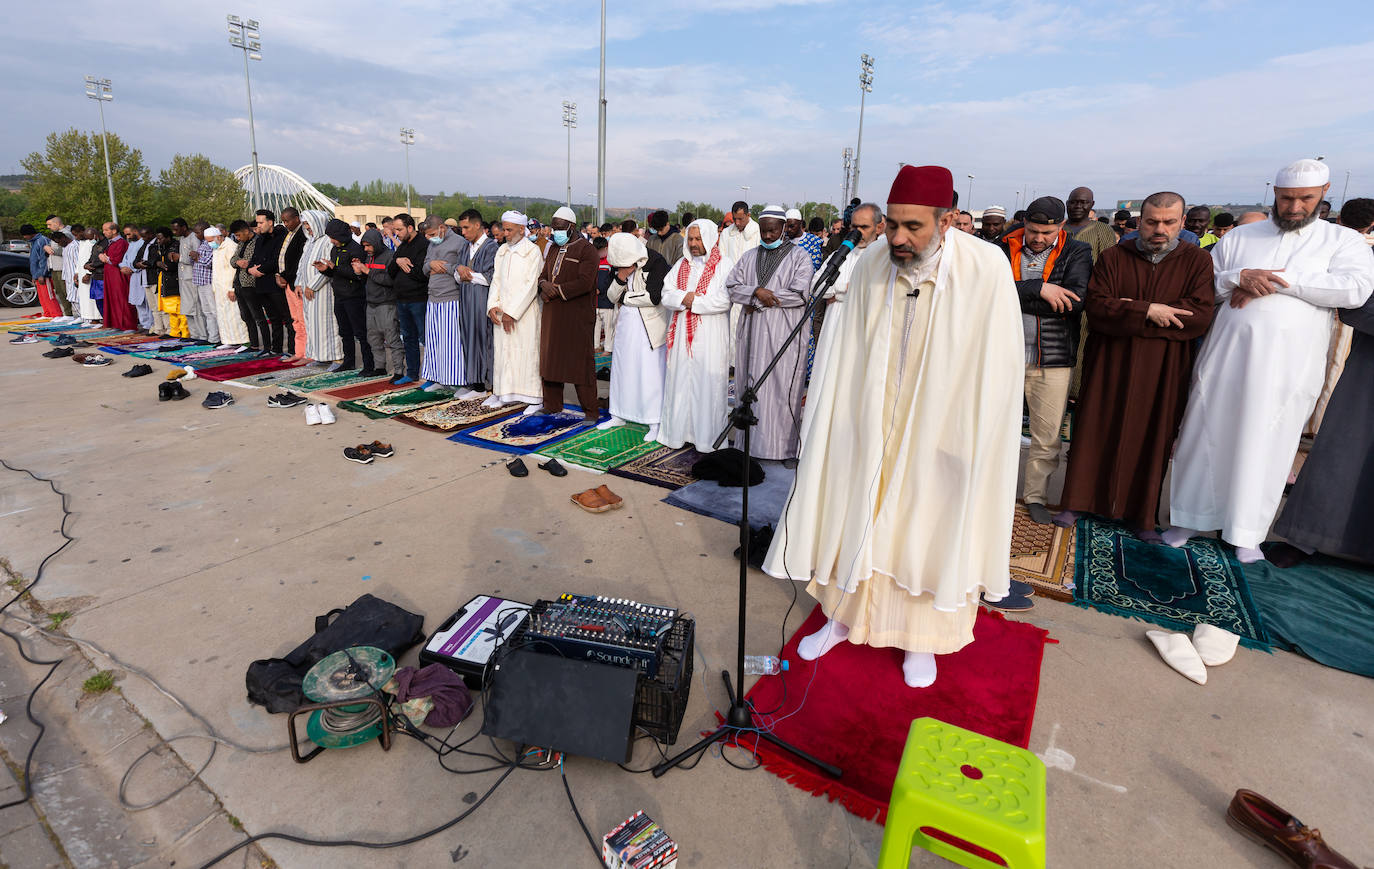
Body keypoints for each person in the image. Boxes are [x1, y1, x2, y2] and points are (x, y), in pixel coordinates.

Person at [762, 165, 1023, 688]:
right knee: (856, 511)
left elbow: (1000, 360)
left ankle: (919, 639)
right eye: (892, 225)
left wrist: (977, 434)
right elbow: (849, 349)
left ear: (946, 220)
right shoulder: (871, 263)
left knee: (927, 524)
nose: (899, 238)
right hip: (873, 418)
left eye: (914, 228)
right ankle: (841, 618)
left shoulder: (985, 264)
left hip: (944, 424)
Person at [1165, 159, 1374, 563]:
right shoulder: (1241, 236)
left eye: (1304, 199)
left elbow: (1354, 291)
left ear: (1324, 193)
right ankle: (1187, 519)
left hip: (1289, 366)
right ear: (1274, 195)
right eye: (1286, 198)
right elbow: (1207, 283)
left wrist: (1283, 281)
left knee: (1269, 440)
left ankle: (1246, 533)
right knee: (1207, 431)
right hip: (1226, 355)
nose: (1294, 207)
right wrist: (1238, 278)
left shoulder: (1342, 242)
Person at [1054, 192, 1216, 537]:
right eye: (1153, 221)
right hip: (1110, 361)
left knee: (1152, 436)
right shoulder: (1114, 257)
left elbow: (1197, 317)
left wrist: (1128, 308)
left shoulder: (1197, 261)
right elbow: (1098, 308)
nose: (1160, 229)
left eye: (1169, 222)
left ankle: (1141, 517)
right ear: (1139, 221)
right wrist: (1151, 311)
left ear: (1182, 223)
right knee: (1095, 428)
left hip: (1164, 368)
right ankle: (1077, 502)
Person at [1271, 201, 1374, 565]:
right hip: (1367, 382)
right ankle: (1306, 538)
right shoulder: (1364, 253)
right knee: (1344, 453)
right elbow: (1356, 303)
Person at [999, 196, 1092, 526]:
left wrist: (1015, 294)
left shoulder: (1077, 252)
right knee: (993, 428)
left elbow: (1074, 303)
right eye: (1033, 230)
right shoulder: (1002, 247)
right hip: (1001, 355)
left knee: (1046, 434)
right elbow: (987, 292)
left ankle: (1035, 495)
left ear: (1061, 227)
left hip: (1052, 358)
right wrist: (1040, 289)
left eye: (1046, 232)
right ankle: (992, 490)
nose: (1038, 238)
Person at [725, 204, 816, 462]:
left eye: (773, 231)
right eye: (764, 232)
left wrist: (760, 298)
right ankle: (749, 447)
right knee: (750, 387)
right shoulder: (749, 256)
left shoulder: (800, 257)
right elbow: (732, 286)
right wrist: (755, 292)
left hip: (781, 334)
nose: (767, 236)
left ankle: (784, 450)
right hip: (752, 336)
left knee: (780, 388)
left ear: (784, 228)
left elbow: (799, 295)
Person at [659, 218, 735, 450]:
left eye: (698, 239)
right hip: (682, 334)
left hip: (710, 335)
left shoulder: (725, 265)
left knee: (707, 386)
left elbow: (724, 300)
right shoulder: (681, 265)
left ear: (710, 239)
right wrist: (684, 298)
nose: (693, 243)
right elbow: (666, 293)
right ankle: (676, 434)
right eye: (691, 238)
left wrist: (695, 301)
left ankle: (706, 439)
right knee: (680, 383)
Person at [599, 232, 671, 440]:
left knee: (649, 375)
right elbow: (612, 296)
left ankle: (654, 420)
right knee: (623, 371)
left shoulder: (656, 261)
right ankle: (619, 414)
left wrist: (625, 297)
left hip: (649, 327)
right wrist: (622, 276)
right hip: (625, 325)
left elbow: (654, 297)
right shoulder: (622, 264)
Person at [537, 206, 601, 419]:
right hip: (552, 314)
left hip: (576, 316)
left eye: (560, 228)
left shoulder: (586, 249)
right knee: (550, 360)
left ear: (571, 227)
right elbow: (544, 275)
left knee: (579, 364)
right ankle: (552, 405)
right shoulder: (553, 248)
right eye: (553, 228)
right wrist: (544, 285)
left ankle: (591, 412)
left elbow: (585, 282)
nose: (555, 232)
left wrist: (558, 291)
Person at [484, 211, 545, 410]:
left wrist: (513, 312)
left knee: (526, 354)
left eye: (510, 230)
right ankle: (504, 393)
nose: (506, 233)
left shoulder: (532, 251)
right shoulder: (502, 251)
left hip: (524, 315)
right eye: (505, 229)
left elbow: (531, 285)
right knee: (503, 353)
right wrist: (492, 305)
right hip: (502, 313)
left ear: (521, 229)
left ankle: (533, 398)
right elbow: (496, 281)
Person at [417, 215, 468, 390]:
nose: (429, 238)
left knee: (452, 343)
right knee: (434, 342)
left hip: (451, 298)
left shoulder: (460, 243)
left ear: (442, 228)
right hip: (433, 297)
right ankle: (438, 378)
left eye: (432, 233)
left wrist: (444, 267)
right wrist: (432, 263)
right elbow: (424, 267)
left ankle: (458, 381)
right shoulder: (432, 244)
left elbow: (464, 269)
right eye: (427, 235)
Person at [453, 209, 498, 397]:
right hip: (465, 301)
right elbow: (456, 275)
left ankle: (483, 385)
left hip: (482, 302)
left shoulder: (491, 248)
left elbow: (490, 278)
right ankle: (472, 381)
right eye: (461, 228)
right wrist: (461, 272)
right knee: (467, 340)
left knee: (482, 341)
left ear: (478, 225)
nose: (463, 232)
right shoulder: (465, 247)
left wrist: (466, 273)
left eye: (466, 227)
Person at [319, 218, 374, 373]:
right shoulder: (335, 249)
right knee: (345, 332)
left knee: (360, 332)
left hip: (354, 296)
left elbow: (357, 275)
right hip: (339, 295)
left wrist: (335, 268)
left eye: (333, 237)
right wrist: (325, 269)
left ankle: (369, 365)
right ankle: (349, 362)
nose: (331, 241)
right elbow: (335, 272)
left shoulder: (355, 250)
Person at [386, 213, 429, 385]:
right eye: (394, 229)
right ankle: (412, 373)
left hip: (419, 299)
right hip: (402, 299)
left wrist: (405, 263)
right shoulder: (402, 246)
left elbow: (420, 273)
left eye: (399, 229)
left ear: (410, 228)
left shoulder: (423, 245)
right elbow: (390, 271)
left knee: (426, 339)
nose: (396, 233)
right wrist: (398, 260)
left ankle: (433, 376)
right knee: (408, 338)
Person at [296, 210, 342, 364]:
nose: (307, 227)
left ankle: (334, 357)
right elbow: (302, 265)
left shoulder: (326, 241)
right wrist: (299, 283)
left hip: (323, 291)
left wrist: (312, 285)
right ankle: (318, 356)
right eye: (305, 224)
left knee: (326, 324)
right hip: (308, 292)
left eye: (309, 223)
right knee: (312, 326)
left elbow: (327, 266)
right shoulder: (309, 242)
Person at [360, 228, 401, 379]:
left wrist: (367, 272)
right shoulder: (368, 257)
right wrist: (360, 273)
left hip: (386, 303)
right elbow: (368, 278)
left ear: (376, 243)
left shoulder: (390, 256)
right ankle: (379, 367)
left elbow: (390, 280)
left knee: (392, 338)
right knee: (374, 339)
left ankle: (399, 371)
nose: (366, 249)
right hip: (371, 303)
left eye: (368, 246)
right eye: (364, 246)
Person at [248, 209, 290, 356]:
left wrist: (262, 269)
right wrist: (251, 268)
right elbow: (254, 258)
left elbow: (277, 259)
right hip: (261, 283)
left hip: (274, 283)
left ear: (270, 222)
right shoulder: (260, 239)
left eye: (261, 222)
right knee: (273, 318)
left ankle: (291, 350)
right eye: (257, 222)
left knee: (286, 317)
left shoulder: (281, 237)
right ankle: (275, 349)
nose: (258, 225)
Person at [276, 208, 308, 362]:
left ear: (297, 218)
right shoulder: (290, 234)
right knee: (295, 319)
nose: (285, 224)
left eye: (287, 220)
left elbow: (298, 263)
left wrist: (285, 276)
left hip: (297, 283)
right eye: (283, 221)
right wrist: (280, 275)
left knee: (302, 320)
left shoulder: (303, 235)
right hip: (288, 282)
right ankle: (299, 352)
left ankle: (307, 353)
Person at [212, 221, 249, 348]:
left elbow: (234, 269)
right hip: (220, 289)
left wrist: (232, 288)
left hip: (230, 288)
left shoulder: (230, 246)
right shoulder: (216, 247)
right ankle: (229, 340)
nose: (209, 243)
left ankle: (243, 340)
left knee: (235, 315)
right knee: (224, 316)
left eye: (210, 240)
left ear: (218, 236)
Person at [1064, 187, 1119, 263]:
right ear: (1067, 203)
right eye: (1073, 202)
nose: (1078, 206)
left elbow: (1109, 262)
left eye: (1083, 202)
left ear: (1092, 204)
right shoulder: (1056, 229)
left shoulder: (1104, 230)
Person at [97, 222, 135, 330]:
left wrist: (106, 258)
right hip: (110, 274)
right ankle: (116, 323)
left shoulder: (121, 243)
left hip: (118, 275)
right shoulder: (110, 243)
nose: (104, 232)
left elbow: (117, 259)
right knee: (112, 299)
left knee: (121, 299)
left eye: (106, 230)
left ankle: (127, 325)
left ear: (114, 231)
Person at [171, 219, 204, 341]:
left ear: (184, 227)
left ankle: (201, 335)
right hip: (183, 277)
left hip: (192, 277)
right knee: (187, 307)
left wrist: (180, 257)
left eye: (176, 229)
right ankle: (193, 335)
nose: (174, 232)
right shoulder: (182, 239)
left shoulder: (193, 238)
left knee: (196, 308)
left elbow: (197, 257)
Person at [153, 227, 188, 338]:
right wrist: (157, 263)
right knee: (171, 309)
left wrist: (163, 265)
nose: (158, 241)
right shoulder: (162, 247)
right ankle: (174, 332)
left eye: (160, 238)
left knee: (180, 310)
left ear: (168, 237)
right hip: (165, 280)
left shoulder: (176, 246)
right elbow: (152, 261)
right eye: (157, 239)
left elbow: (174, 264)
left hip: (175, 281)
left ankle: (185, 333)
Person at [20, 225, 62, 317]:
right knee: (42, 296)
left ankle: (56, 314)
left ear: (30, 233)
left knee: (48, 295)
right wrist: (34, 275)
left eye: (25, 235)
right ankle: (48, 313)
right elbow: (34, 260)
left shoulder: (41, 241)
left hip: (43, 274)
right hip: (37, 274)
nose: (24, 237)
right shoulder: (34, 242)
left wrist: (42, 274)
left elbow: (44, 260)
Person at [190, 226, 220, 344]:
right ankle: (212, 338)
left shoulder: (215, 244)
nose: (196, 234)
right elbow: (196, 261)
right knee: (207, 312)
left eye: (198, 232)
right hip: (200, 281)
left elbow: (208, 262)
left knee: (214, 311)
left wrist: (197, 256)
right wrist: (194, 256)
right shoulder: (203, 243)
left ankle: (219, 338)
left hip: (209, 282)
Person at [42, 216, 75, 318]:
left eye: (50, 224)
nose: (48, 227)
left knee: (67, 292)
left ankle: (74, 314)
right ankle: (68, 314)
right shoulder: (56, 234)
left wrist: (48, 249)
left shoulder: (66, 233)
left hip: (63, 267)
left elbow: (64, 250)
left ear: (56, 223)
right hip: (55, 267)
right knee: (60, 292)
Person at [593, 236, 616, 352]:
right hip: (595, 301)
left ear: (606, 248)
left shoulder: (612, 262)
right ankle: (596, 346)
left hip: (607, 300)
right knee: (596, 325)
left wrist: (600, 289)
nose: (599, 253)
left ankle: (608, 348)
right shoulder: (594, 261)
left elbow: (610, 281)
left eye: (600, 250)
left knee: (608, 327)